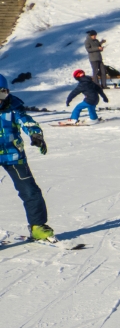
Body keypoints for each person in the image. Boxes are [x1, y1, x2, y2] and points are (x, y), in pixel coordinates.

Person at [0, 74, 53, 242]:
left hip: (14, 155)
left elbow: (26, 121)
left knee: (30, 191)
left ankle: (38, 227)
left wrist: (35, 134)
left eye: (2, 93)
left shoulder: (13, 107)